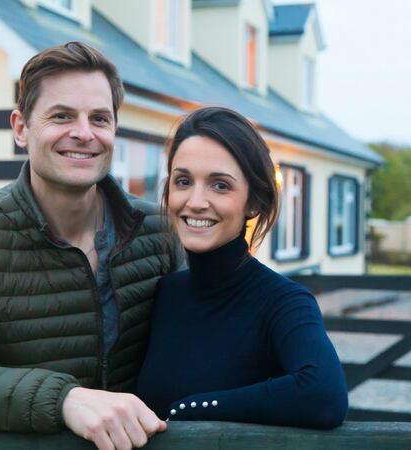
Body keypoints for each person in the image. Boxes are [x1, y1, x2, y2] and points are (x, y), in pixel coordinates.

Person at [0, 42, 183, 450]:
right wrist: (63, 398)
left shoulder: (158, 231)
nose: (84, 133)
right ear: (20, 128)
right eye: (62, 115)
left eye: (99, 118)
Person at [136, 107, 348, 429]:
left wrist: (190, 410)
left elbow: (323, 395)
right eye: (183, 181)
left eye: (220, 185)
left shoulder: (283, 302)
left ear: (254, 202)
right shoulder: (166, 293)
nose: (195, 201)